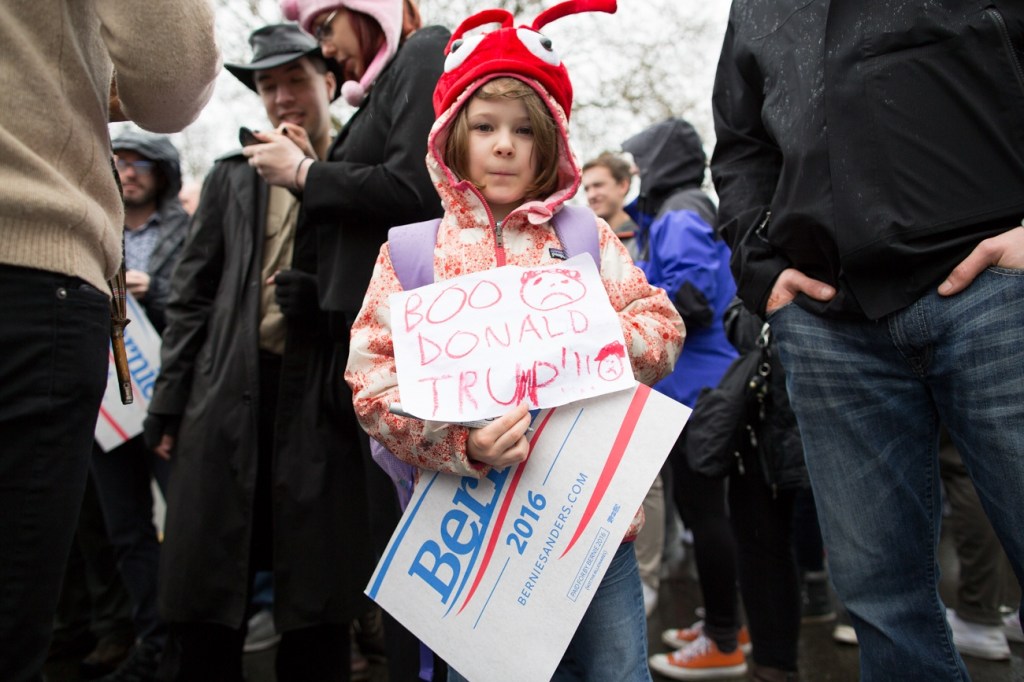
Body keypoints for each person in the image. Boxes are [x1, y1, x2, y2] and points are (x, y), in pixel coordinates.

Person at [344, 3, 683, 678]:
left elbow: (662, 330)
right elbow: (371, 383)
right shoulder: (411, 255)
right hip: (476, 546)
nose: (504, 144)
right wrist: (460, 444)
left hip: (593, 532)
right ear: (453, 136)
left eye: (524, 130)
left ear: (549, 143)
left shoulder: (585, 239)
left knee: (618, 671)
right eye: (485, 125)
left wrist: (588, 336)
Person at [711, 2, 1024, 678]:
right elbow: (740, 146)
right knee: (879, 597)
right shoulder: (755, 9)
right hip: (829, 323)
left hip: (997, 288)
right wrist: (762, 269)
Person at [144, 24, 375, 682]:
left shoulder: (359, 176)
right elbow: (191, 296)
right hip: (228, 408)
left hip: (319, 411)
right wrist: (168, 403)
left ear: (329, 83)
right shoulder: (231, 179)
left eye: (296, 80)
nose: (282, 97)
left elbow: (389, 294)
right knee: (209, 599)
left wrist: (330, 308)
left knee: (315, 610)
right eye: (268, 85)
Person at [0, 3, 218, 680]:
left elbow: (193, 305)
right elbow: (171, 72)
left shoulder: (183, 233)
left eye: (136, 164)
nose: (124, 172)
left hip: (152, 397)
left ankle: (158, 642)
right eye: (116, 160)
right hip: (33, 266)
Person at [249, 2, 450, 677]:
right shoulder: (382, 87)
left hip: (409, 346)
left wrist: (306, 176)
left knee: (410, 543)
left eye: (323, 30)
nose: (325, 52)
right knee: (384, 542)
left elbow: (414, 188)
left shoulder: (424, 54)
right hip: (360, 347)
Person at [582, 150, 664, 616]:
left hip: (642, 385)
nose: (593, 194)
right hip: (597, 389)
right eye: (587, 187)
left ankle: (648, 578)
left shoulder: (641, 235)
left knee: (647, 481)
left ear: (622, 186)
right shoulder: (576, 237)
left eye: (601, 186)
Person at [582, 152, 638, 256]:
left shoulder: (644, 239)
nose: (591, 195)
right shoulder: (581, 243)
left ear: (623, 186)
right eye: (586, 189)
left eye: (598, 185)